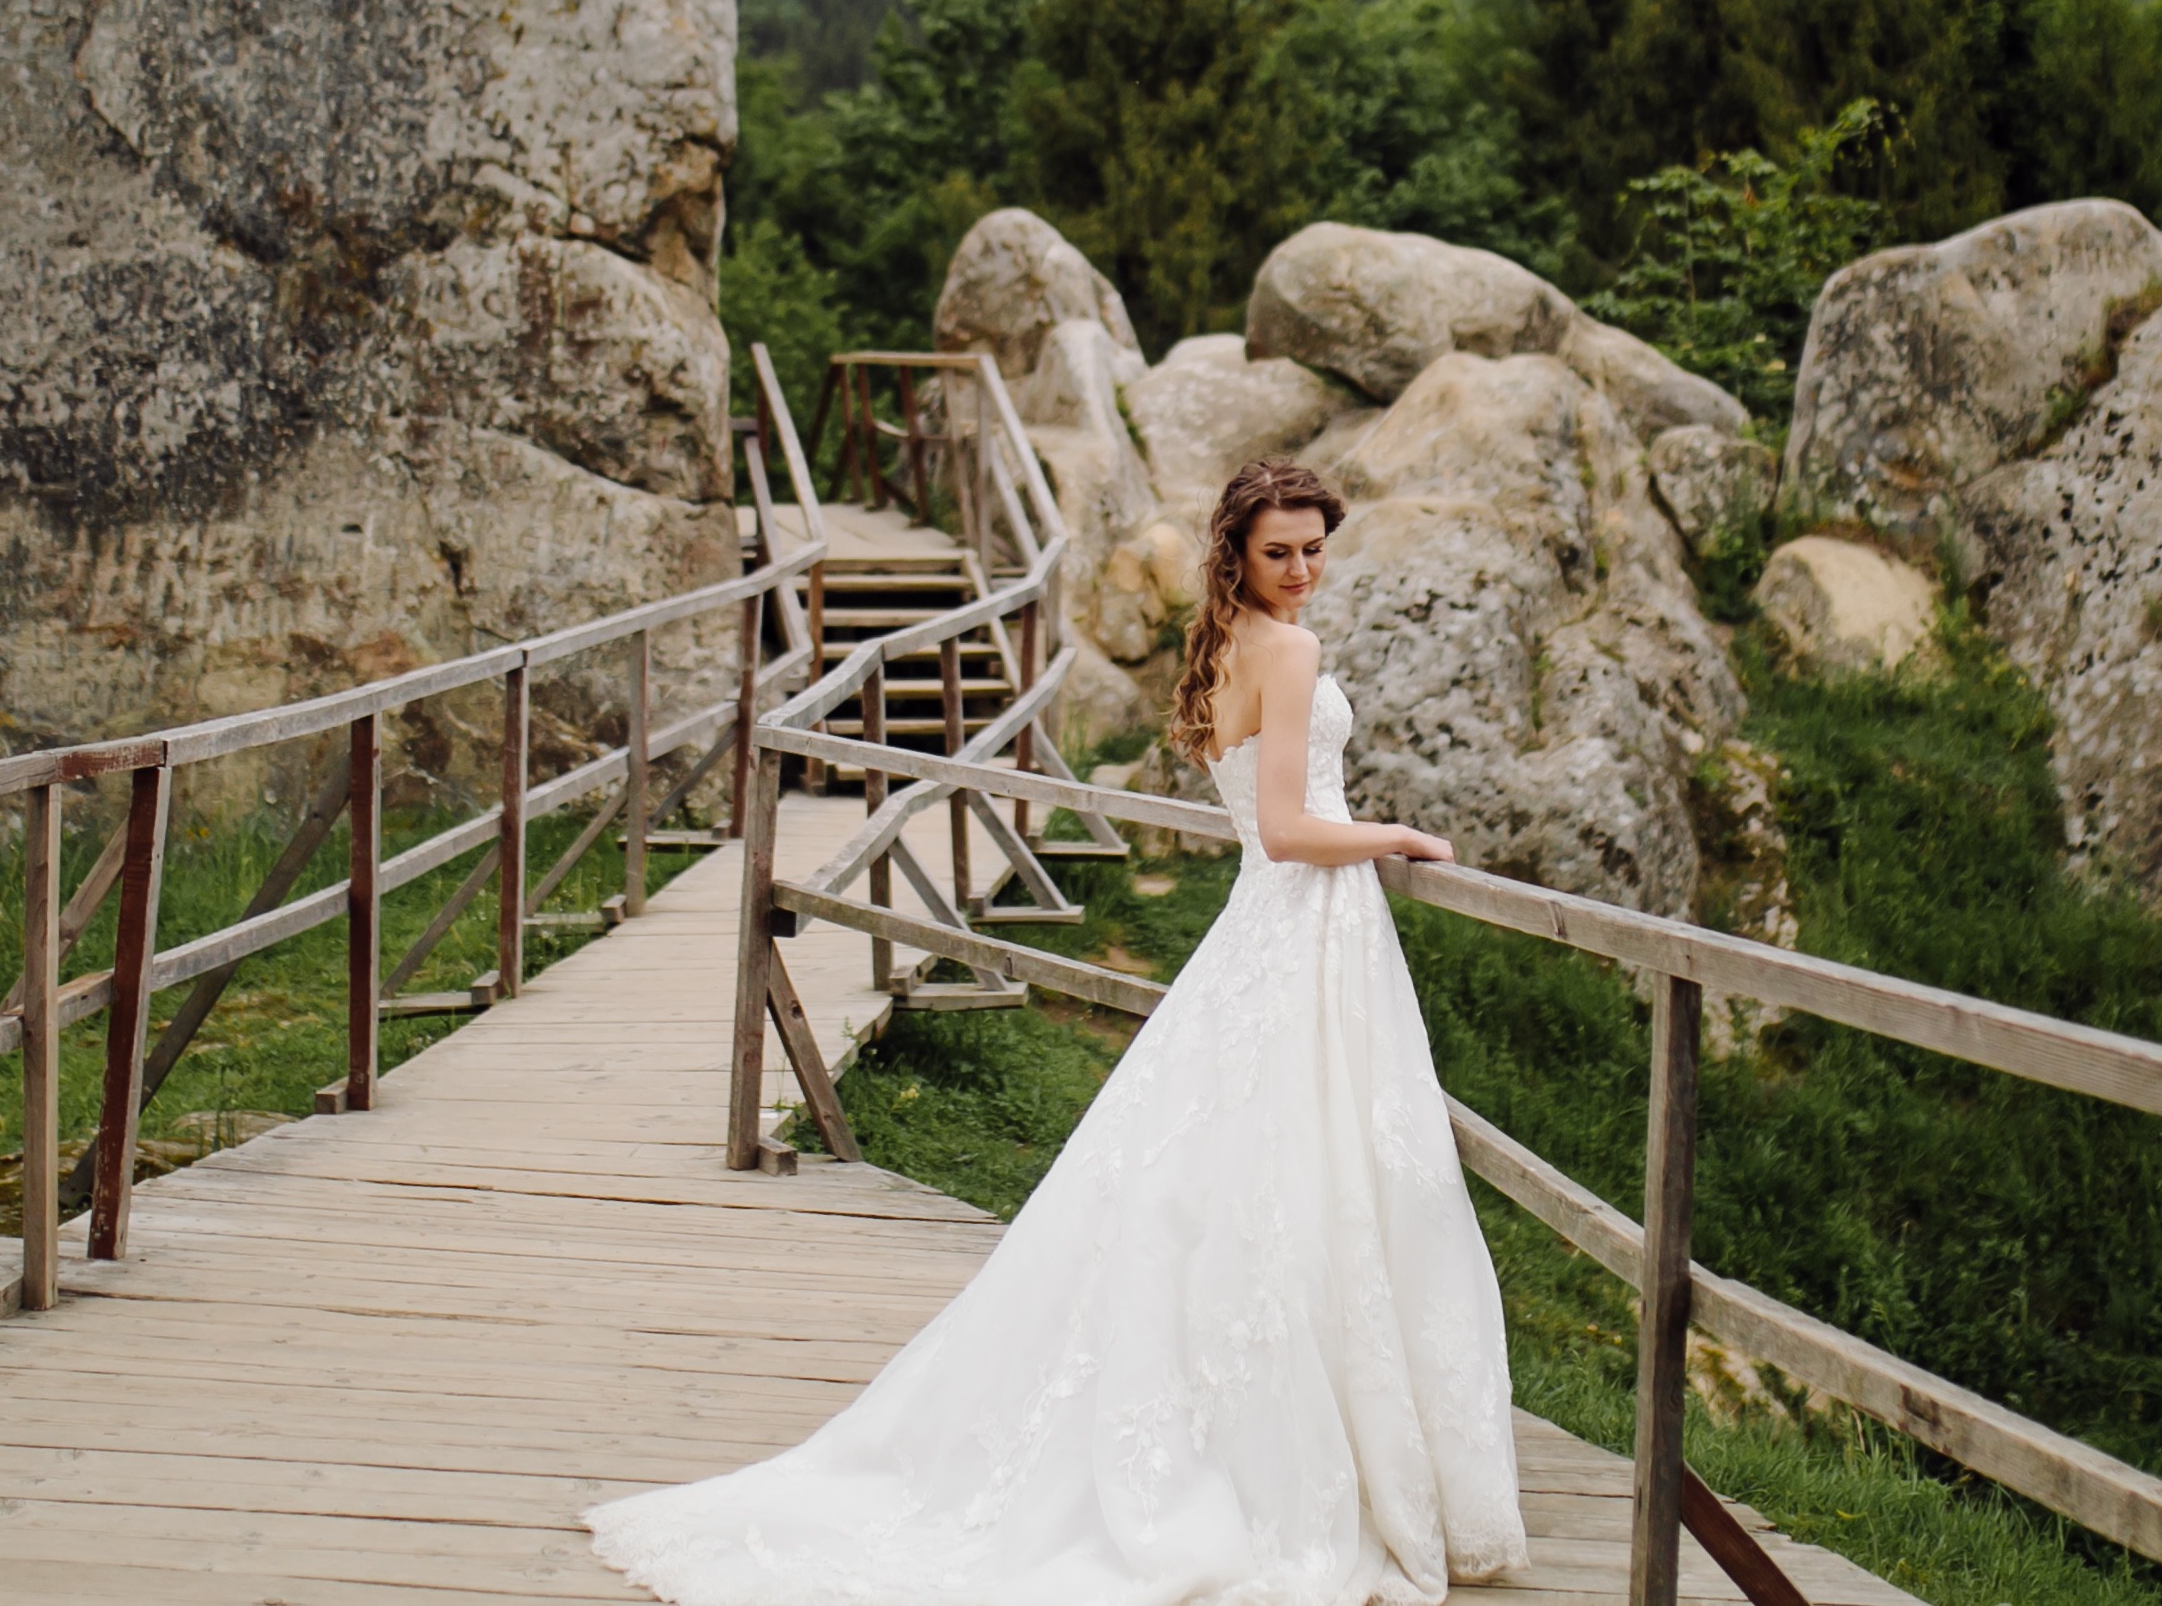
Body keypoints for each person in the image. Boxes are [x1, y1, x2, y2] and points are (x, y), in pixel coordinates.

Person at [585, 458, 1529, 1605]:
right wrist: (1393, 835)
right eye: (1280, 550)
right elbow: (1284, 829)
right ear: (1239, 553)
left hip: (1278, 941)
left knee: (1247, 1181)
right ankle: (1294, 1450)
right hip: (1304, 922)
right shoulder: (1286, 649)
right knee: (1300, 1178)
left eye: (1316, 547)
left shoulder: (1234, 642)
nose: (1303, 570)